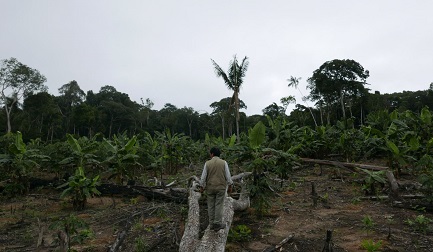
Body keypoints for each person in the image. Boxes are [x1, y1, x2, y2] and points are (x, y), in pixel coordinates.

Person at [200, 147, 233, 231]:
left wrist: (202, 187)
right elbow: (228, 176)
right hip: (221, 187)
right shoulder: (224, 162)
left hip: (210, 187)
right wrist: (230, 186)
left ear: (212, 154)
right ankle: (217, 223)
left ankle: (211, 224)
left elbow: (203, 177)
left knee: (210, 205)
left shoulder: (207, 163)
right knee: (219, 205)